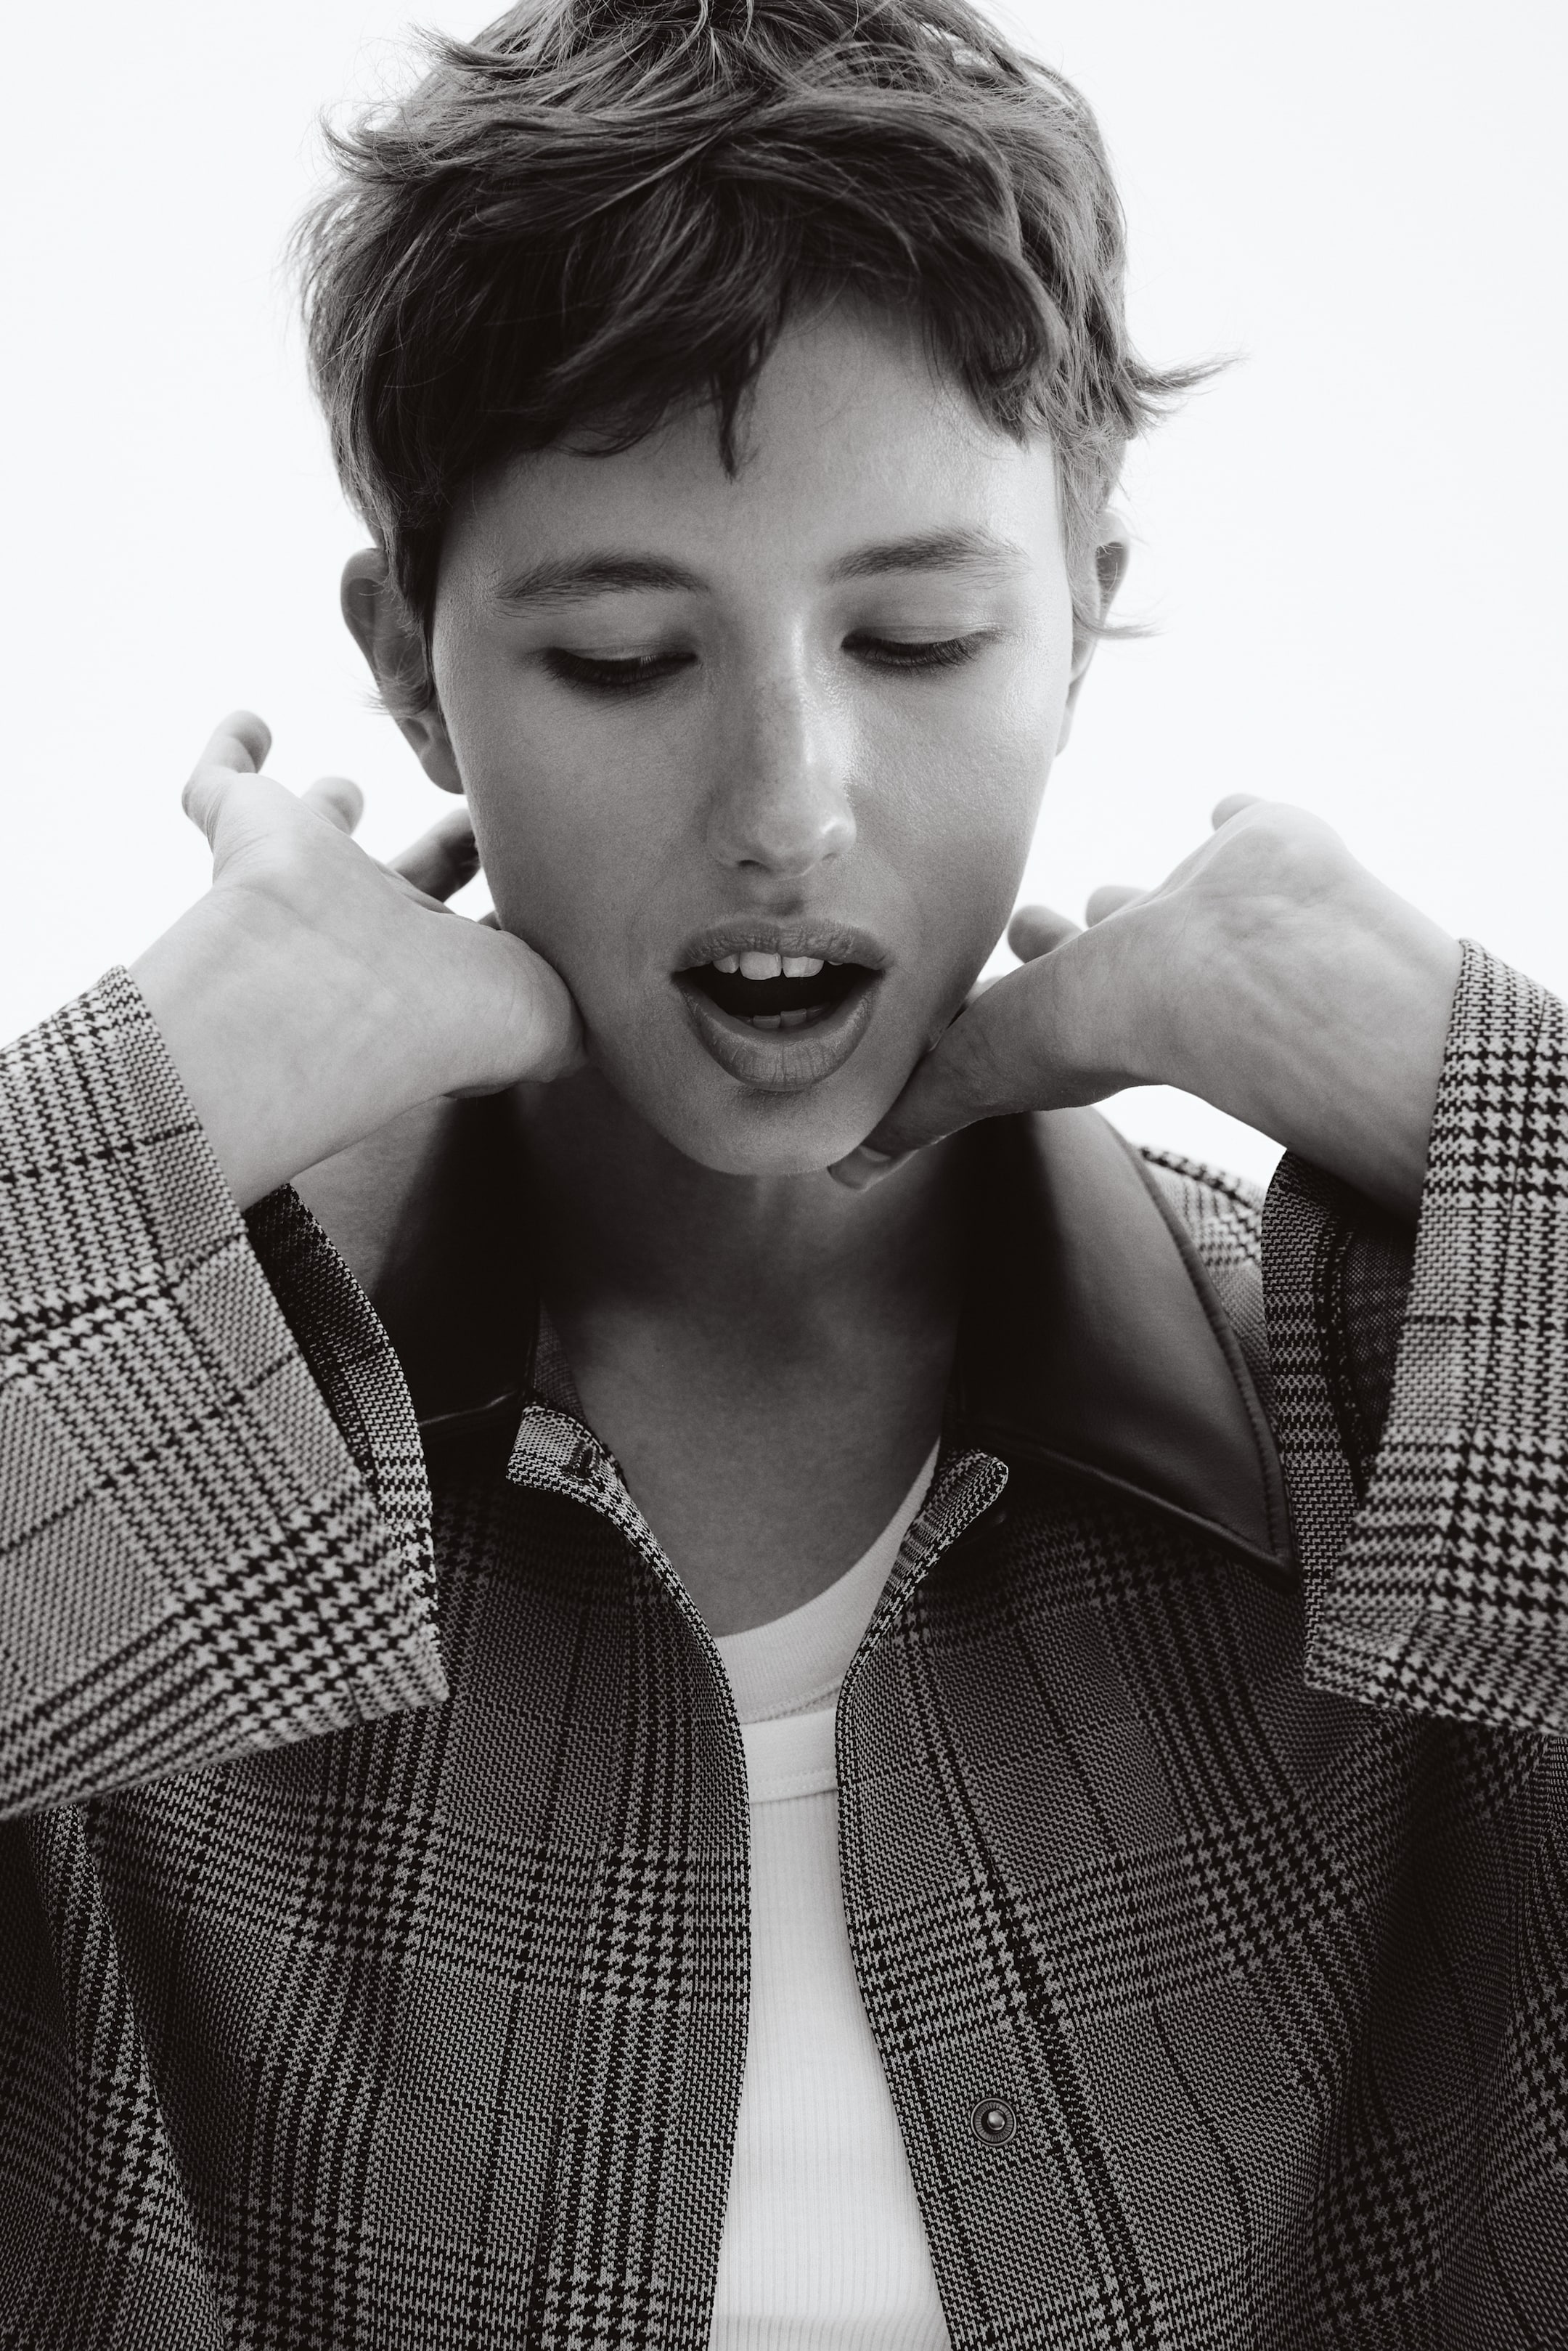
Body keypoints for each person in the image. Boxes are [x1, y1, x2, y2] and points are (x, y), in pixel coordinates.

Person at [1, 0, 1562, 2342]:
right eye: (629, 656)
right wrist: (136, 1108)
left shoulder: (1396, 1396)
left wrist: (1485, 1086)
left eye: (917, 637)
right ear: (414, 673)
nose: (788, 806)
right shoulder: (122, 1449)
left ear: (1080, 620)